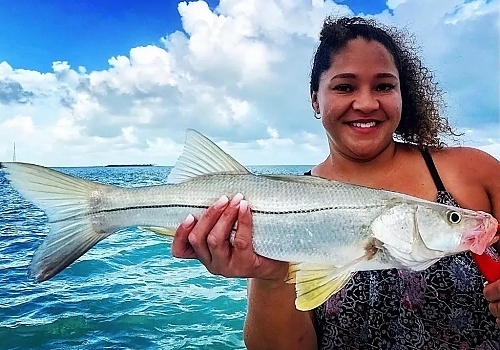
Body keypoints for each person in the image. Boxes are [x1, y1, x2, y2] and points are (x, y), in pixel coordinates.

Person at [171, 16, 500, 349]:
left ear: (404, 94)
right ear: (315, 99)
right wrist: (270, 279)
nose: (367, 103)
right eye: (344, 86)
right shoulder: (278, 202)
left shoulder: (473, 170)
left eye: (384, 86)